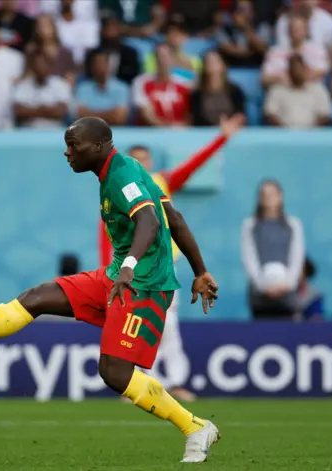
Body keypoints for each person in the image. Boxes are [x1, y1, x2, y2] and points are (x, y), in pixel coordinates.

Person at [0, 116, 221, 464]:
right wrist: (201, 271)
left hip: (145, 286)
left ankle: (195, 427)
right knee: (36, 297)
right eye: (66, 145)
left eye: (75, 146)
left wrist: (131, 267)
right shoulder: (121, 170)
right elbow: (172, 217)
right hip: (117, 276)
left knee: (114, 373)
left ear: (99, 147)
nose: (68, 153)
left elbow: (148, 220)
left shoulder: (122, 175)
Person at [100, 114, 244, 402]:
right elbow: (107, 233)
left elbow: (192, 166)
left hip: (163, 268)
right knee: (134, 325)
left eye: (144, 159)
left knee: (167, 326)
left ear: (149, 162)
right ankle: (139, 384)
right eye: (135, 158)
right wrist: (110, 268)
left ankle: (174, 381)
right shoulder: (119, 188)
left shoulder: (159, 183)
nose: (140, 163)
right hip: (130, 270)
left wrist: (221, 138)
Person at [241, 179, 305, 320]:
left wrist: (287, 284)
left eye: (272, 194)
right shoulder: (250, 225)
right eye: (264, 194)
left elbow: (296, 257)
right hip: (260, 297)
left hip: (288, 296)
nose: (268, 198)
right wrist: (263, 285)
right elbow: (249, 258)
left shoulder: (293, 225)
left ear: (280, 196)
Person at [264, 54, 332, 129]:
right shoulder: (277, 90)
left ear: (305, 69)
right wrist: (286, 132)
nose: (297, 72)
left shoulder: (318, 90)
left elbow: (324, 115)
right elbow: (270, 114)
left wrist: (311, 132)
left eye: (300, 69)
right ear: (288, 72)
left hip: (313, 136)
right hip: (283, 136)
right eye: (294, 69)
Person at [190, 50, 246, 127]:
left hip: (231, 130)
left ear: (223, 64)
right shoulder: (197, 93)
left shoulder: (235, 90)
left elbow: (240, 115)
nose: (212, 64)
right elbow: (194, 118)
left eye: (215, 61)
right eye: (208, 61)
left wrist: (230, 124)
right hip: (204, 132)